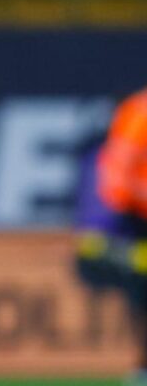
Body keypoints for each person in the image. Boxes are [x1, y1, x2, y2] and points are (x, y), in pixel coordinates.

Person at [95, 88, 147, 384]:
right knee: (142, 295)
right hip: (139, 219)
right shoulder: (140, 112)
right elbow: (119, 170)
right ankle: (142, 366)